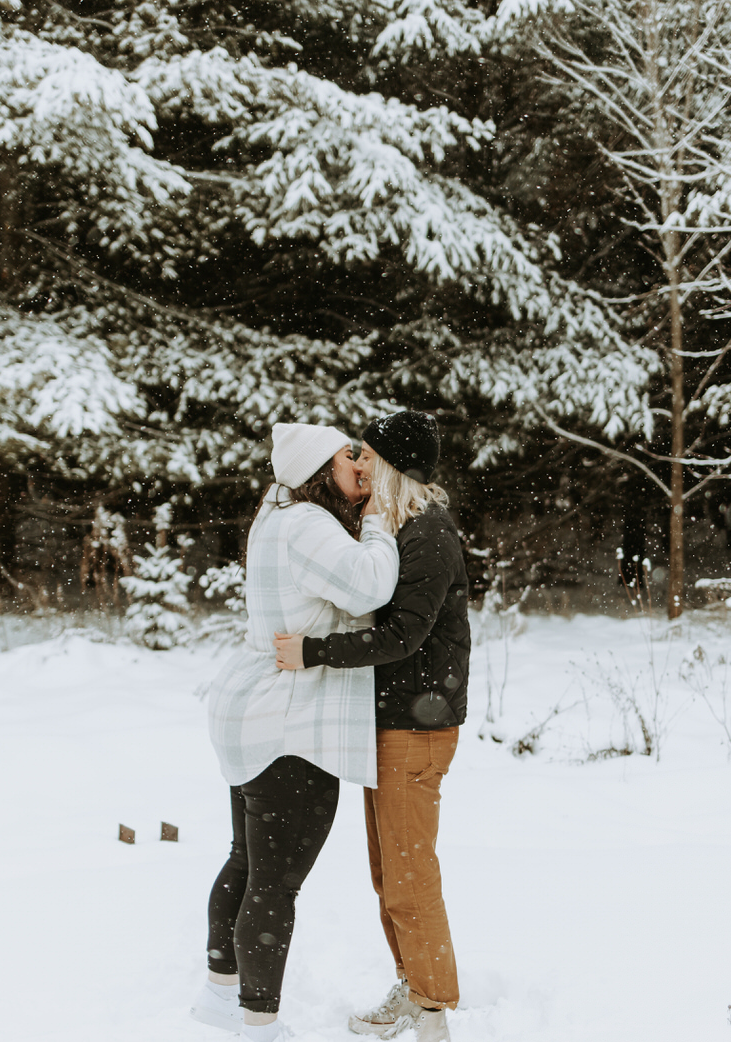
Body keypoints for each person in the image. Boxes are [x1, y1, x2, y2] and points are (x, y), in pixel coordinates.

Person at [194, 422, 400, 1042]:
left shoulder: (275, 515)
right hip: (286, 721)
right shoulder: (308, 523)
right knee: (276, 879)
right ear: (318, 466)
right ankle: (260, 1024)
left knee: (248, 860)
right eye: (349, 456)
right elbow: (371, 582)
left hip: (252, 708)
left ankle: (217, 994)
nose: (360, 465)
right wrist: (381, 519)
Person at [274, 411, 469, 1042]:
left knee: (410, 873)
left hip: (418, 727)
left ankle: (433, 1006)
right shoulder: (395, 528)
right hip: (391, 723)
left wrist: (316, 651)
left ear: (391, 466)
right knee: (390, 873)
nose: (356, 463)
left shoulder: (429, 532)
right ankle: (415, 986)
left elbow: (403, 635)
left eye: (367, 455)